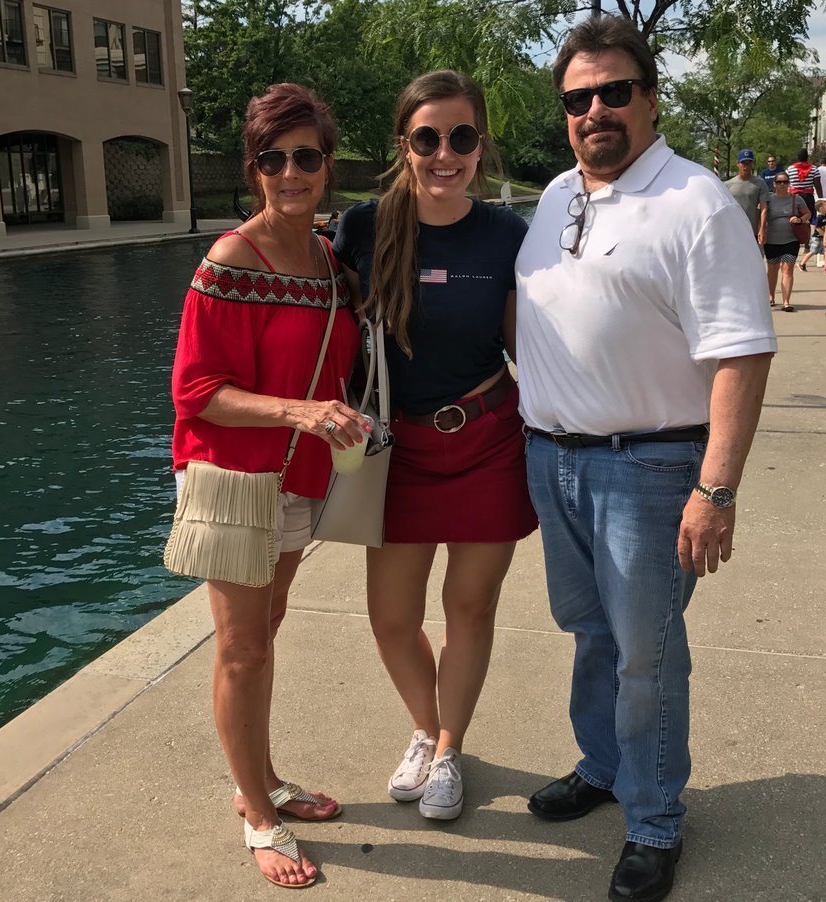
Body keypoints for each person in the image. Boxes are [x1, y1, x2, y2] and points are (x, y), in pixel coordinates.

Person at [515, 16, 776, 902]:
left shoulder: (696, 202)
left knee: (646, 654)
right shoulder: (559, 194)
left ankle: (656, 817)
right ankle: (603, 764)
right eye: (577, 99)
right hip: (554, 460)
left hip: (649, 469)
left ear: (651, 99)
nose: (594, 110)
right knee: (590, 632)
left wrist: (716, 489)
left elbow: (742, 353)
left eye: (614, 92)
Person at [169, 83, 369, 889]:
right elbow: (196, 391)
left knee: (266, 632)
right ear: (253, 169)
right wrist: (301, 411)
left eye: (306, 157)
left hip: (299, 476)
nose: (291, 173)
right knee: (243, 650)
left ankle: (263, 776)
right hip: (234, 479)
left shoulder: (328, 260)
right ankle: (257, 812)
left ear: (327, 164)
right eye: (273, 158)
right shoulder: (230, 261)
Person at [333, 70, 538, 822]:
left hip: (487, 439)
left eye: (461, 137)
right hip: (399, 454)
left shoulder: (507, 235)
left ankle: (450, 748)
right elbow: (319, 323)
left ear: (480, 146)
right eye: (428, 138)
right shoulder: (363, 228)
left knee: (468, 609)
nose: (444, 153)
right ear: (404, 145)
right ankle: (424, 727)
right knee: (392, 617)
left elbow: (531, 344)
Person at [764, 173, 810, 311]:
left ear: (789, 183)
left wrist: (800, 219)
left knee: (788, 268)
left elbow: (807, 213)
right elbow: (762, 215)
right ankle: (771, 296)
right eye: (779, 182)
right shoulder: (769, 199)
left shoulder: (796, 198)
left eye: (785, 181)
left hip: (791, 240)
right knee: (772, 269)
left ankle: (786, 302)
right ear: (774, 184)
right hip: (771, 240)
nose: (782, 184)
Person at [725, 149, 769, 250]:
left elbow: (764, 208)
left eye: (749, 163)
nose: (746, 166)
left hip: (752, 230)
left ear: (752, 164)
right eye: (743, 163)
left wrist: (762, 228)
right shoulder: (727, 185)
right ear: (737, 163)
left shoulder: (760, 183)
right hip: (733, 230)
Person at [797, 198, 826, 272]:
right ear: (821, 208)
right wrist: (825, 235)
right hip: (817, 238)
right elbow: (818, 228)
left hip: (824, 238)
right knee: (813, 251)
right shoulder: (820, 217)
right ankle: (802, 263)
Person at [786, 148, 821, 218]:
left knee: (794, 218)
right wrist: (821, 198)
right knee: (808, 217)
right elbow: (817, 185)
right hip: (808, 197)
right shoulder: (814, 169)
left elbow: (786, 183)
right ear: (807, 157)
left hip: (793, 197)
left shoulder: (790, 169)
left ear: (797, 157)